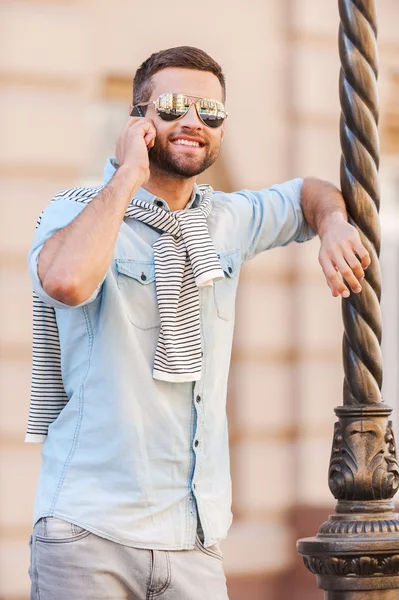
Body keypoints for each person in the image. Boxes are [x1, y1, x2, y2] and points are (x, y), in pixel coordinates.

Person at [26, 46, 370, 600]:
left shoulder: (228, 220)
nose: (193, 120)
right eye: (174, 105)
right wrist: (127, 177)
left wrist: (331, 224)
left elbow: (310, 192)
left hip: (194, 542)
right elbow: (66, 281)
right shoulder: (75, 211)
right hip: (90, 535)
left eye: (210, 110)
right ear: (138, 122)